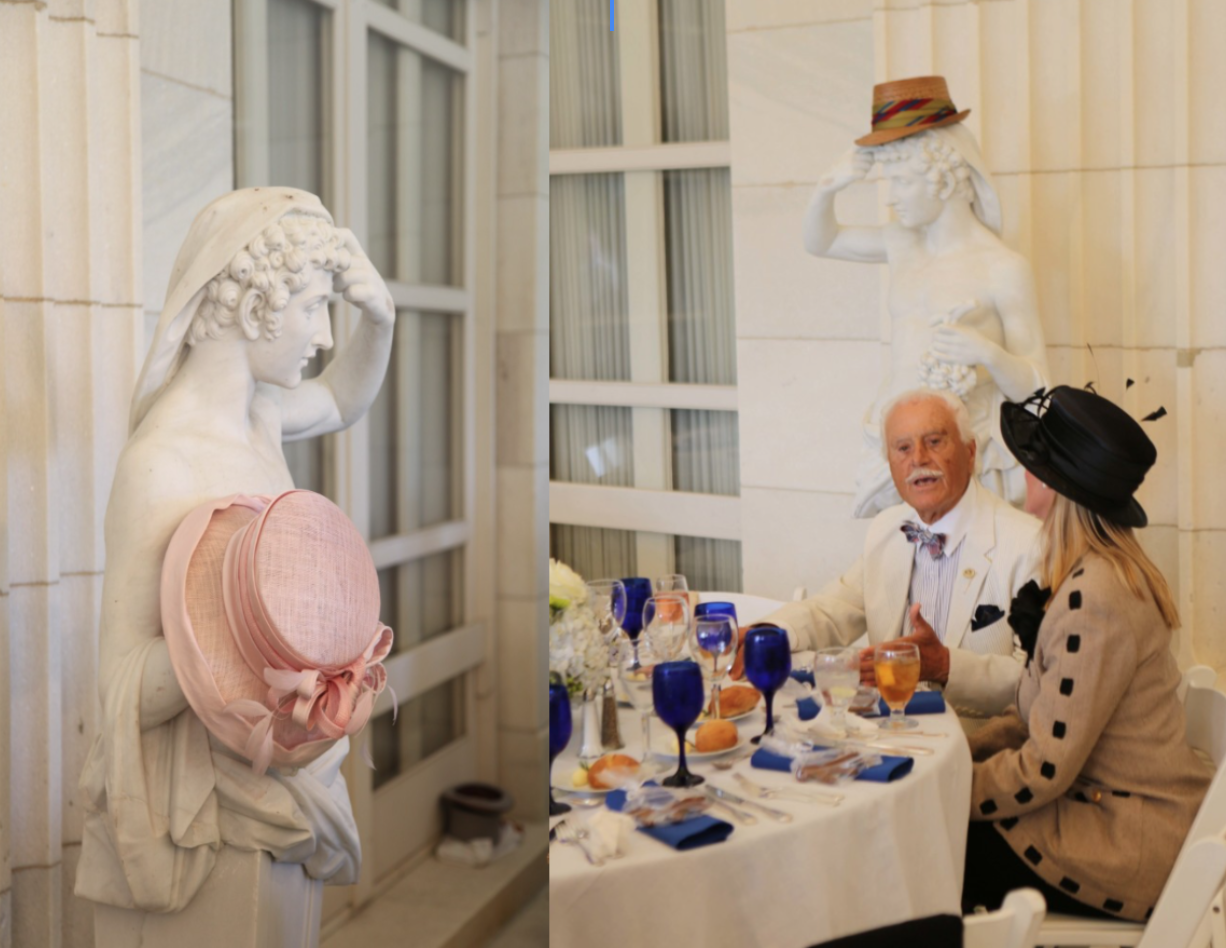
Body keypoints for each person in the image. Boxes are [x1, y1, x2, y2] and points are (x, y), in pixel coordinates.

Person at [76, 188, 395, 913]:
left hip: (280, 769)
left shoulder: (263, 414)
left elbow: (344, 399)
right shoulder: (161, 463)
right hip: (207, 806)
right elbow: (120, 683)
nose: (322, 338)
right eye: (315, 309)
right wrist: (246, 617)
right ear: (255, 310)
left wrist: (380, 318)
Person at [962, 385, 1211, 921]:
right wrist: (959, 756)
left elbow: (1044, 769)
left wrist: (948, 790)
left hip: (1122, 842)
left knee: (928, 853)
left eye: (1034, 464)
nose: (1023, 472)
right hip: (1114, 817)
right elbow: (1037, 719)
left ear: (1058, 487)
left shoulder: (1096, 597)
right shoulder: (1094, 575)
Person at [803, 75, 1050, 517]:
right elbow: (822, 242)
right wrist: (828, 186)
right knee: (901, 572)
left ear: (944, 178)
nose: (892, 200)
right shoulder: (902, 244)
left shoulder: (1002, 268)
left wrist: (989, 354)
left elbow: (1039, 388)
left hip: (962, 454)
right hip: (893, 445)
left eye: (901, 182)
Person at [736, 388, 1041, 723]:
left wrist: (945, 665)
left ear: (970, 452)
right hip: (884, 735)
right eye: (903, 448)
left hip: (976, 753)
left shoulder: (1028, 543)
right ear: (890, 464)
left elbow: (1038, 681)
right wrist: (769, 632)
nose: (919, 459)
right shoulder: (886, 529)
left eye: (935, 441)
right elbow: (832, 609)